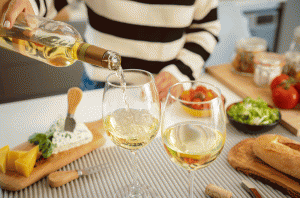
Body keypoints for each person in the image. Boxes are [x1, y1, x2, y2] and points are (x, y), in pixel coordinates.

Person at [1, 0, 220, 101]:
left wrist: (180, 72)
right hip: (99, 88)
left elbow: (205, 30)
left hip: (162, 93)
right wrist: (26, 4)